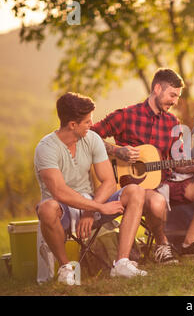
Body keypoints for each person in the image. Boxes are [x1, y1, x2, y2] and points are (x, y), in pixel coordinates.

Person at [91, 68, 194, 262]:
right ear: (157, 88)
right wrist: (116, 150)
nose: (175, 101)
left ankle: (190, 243)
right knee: (157, 202)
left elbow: (178, 164)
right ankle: (161, 245)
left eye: (177, 97)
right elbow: (90, 135)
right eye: (172, 95)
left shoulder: (173, 122)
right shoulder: (126, 115)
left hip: (165, 181)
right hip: (134, 187)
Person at [34, 92, 148, 285]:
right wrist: (100, 208)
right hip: (62, 209)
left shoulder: (92, 138)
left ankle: (121, 263)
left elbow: (109, 181)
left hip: (91, 203)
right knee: (45, 208)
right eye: (87, 122)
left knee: (135, 191)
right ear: (72, 125)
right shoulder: (46, 148)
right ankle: (66, 269)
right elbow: (59, 192)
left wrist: (91, 208)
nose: (90, 125)